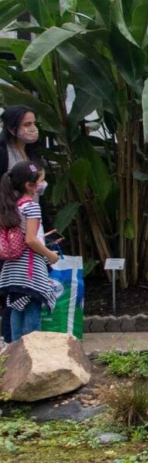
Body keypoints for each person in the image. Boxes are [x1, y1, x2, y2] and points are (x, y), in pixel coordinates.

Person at [0, 162, 60, 339]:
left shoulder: (13, 206)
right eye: (41, 180)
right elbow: (31, 240)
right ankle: (32, 351)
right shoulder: (31, 206)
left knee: (17, 308)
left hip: (12, 270)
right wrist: (50, 255)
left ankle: (15, 352)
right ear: (29, 185)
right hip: (30, 270)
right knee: (32, 307)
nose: (43, 184)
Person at [1, 106, 40, 172]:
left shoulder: (30, 149)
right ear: (12, 130)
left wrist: (39, 173)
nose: (34, 128)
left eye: (34, 123)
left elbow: (32, 170)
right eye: (27, 124)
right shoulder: (3, 152)